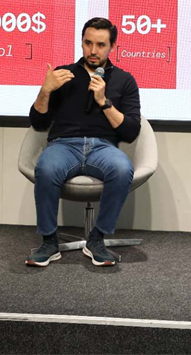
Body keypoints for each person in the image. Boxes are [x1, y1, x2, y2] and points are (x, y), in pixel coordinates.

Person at [26, 17, 141, 267]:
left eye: (101, 45)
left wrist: (103, 101)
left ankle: (97, 239)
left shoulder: (124, 80)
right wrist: (45, 90)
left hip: (103, 147)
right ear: (81, 42)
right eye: (88, 43)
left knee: (122, 168)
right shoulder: (63, 75)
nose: (93, 51)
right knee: (46, 168)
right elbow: (38, 122)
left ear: (112, 47)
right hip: (64, 145)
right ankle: (49, 241)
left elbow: (131, 130)